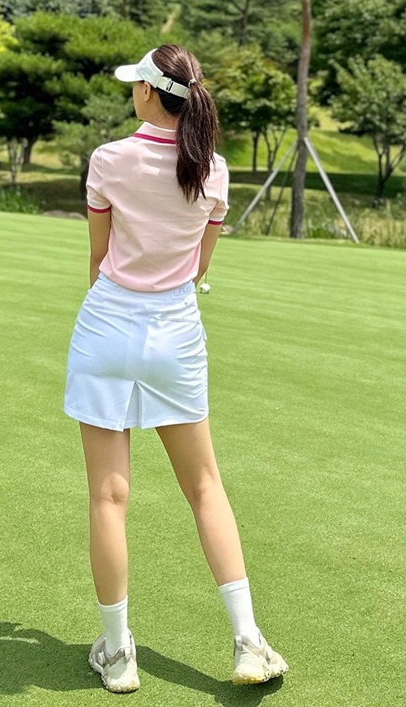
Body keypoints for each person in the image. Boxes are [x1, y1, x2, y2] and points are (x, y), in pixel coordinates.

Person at [64, 45, 288, 694]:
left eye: (135, 84)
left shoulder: (109, 159)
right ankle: (248, 641)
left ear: (146, 92)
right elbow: (199, 266)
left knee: (108, 497)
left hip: (106, 328)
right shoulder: (212, 169)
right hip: (176, 333)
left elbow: (98, 257)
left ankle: (118, 654)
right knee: (205, 487)